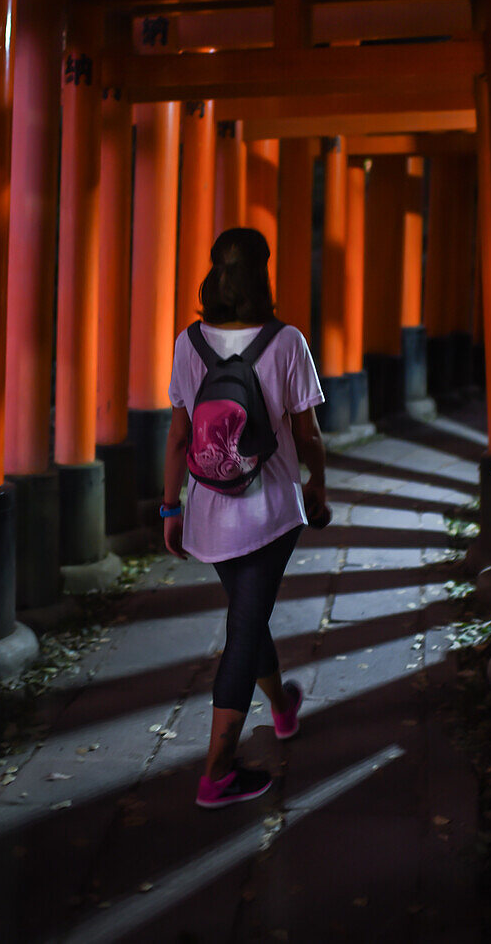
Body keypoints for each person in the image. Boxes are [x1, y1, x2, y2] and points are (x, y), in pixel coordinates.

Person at [163, 227, 327, 808]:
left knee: (247, 616)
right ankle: (217, 774)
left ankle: (282, 710)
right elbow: (308, 437)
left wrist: (169, 507)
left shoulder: (189, 343)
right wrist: (319, 489)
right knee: (244, 628)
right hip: (271, 512)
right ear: (263, 274)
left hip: (209, 512)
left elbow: (179, 435)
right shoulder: (287, 343)